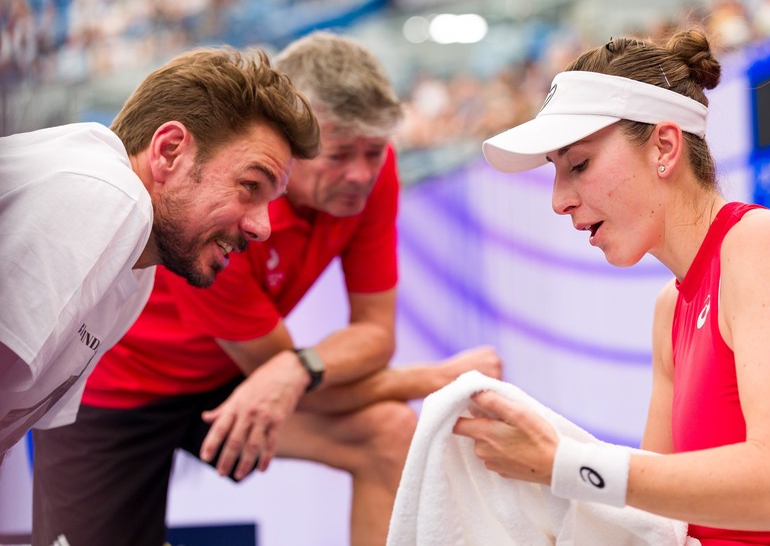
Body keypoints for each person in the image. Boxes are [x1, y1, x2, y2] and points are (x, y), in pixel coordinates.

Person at [31, 31, 502, 546]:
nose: (361, 174)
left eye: (374, 151)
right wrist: (433, 378)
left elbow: (370, 338)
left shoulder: (372, 172)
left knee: (388, 435)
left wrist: (297, 368)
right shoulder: (228, 216)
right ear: (291, 148)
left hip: (234, 374)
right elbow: (288, 379)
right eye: (340, 154)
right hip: (120, 388)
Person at [455, 29, 770, 543]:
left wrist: (565, 464)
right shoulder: (670, 307)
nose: (559, 200)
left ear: (666, 147)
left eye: (579, 165)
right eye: (555, 173)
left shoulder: (764, 247)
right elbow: (655, 526)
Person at [0, 47, 319, 466]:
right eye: (250, 186)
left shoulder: (137, 265)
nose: (263, 227)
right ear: (169, 150)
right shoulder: (109, 193)